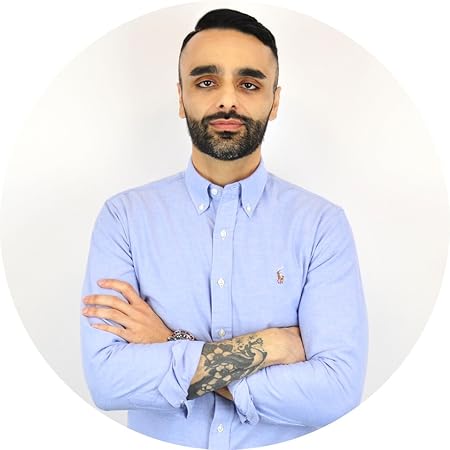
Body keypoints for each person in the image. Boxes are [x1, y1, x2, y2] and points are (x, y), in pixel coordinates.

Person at [80, 8, 368, 450]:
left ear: (274, 102)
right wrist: (273, 345)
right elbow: (108, 380)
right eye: (206, 82)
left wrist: (168, 343)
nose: (227, 101)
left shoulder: (320, 226)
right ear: (181, 97)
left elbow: (336, 393)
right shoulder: (124, 218)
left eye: (249, 84)